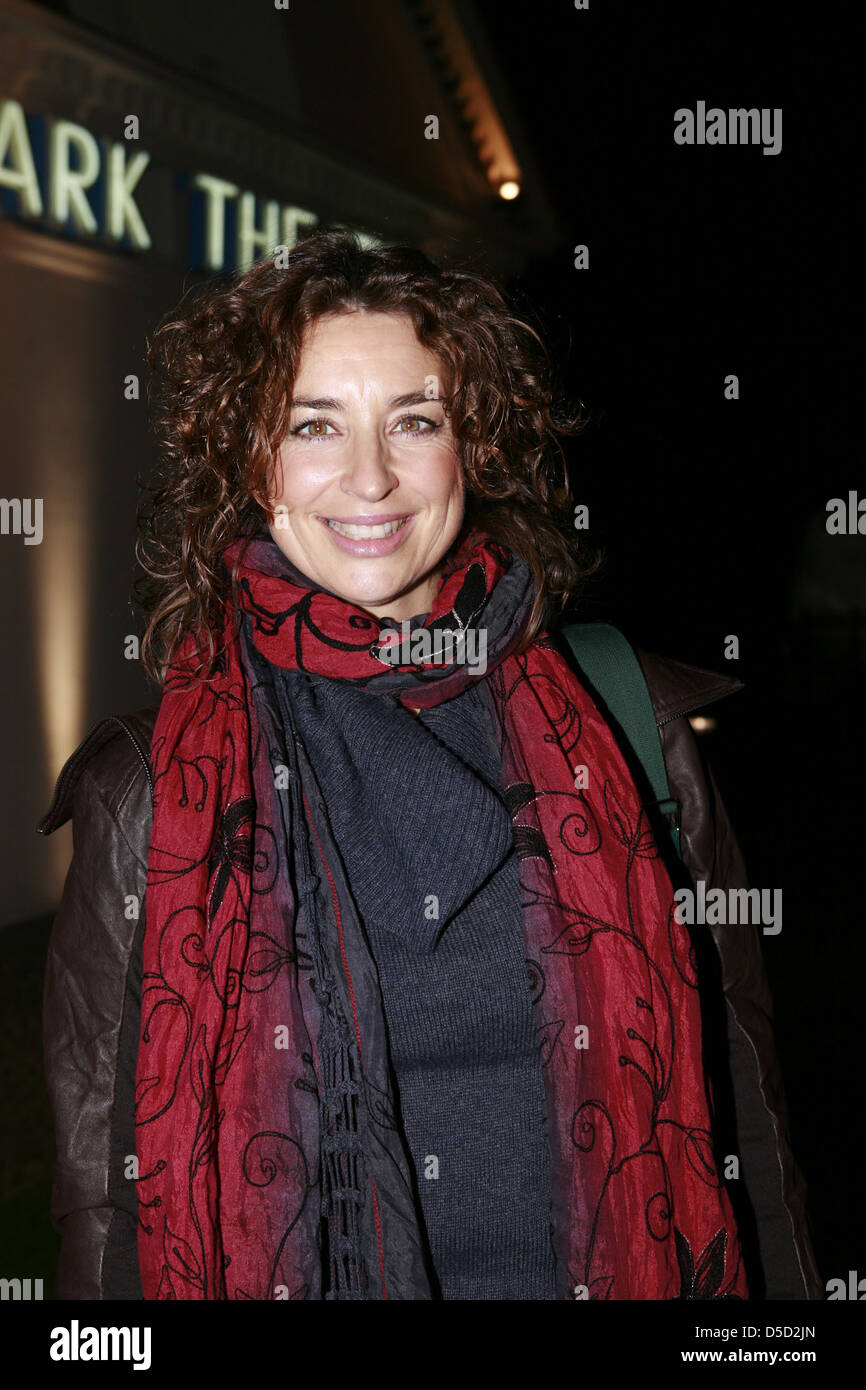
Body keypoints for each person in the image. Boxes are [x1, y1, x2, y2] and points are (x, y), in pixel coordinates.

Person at [37, 228, 821, 1301]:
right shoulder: (150, 788)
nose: (369, 477)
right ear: (247, 460)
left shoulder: (628, 726)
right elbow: (109, 1198)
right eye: (314, 425)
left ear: (473, 447)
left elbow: (747, 1119)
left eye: (414, 420)